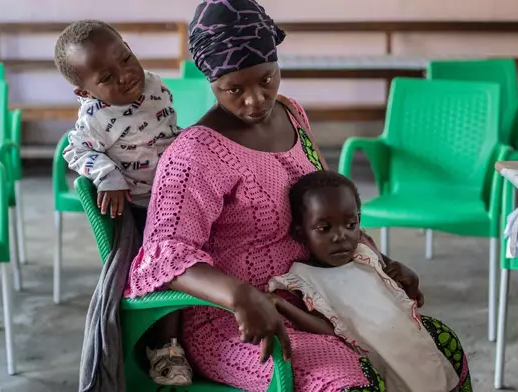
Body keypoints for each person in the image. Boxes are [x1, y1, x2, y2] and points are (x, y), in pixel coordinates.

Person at [125, 1, 472, 391]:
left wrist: (381, 264)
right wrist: (240, 295)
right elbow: (165, 253)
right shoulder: (195, 153)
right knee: (348, 383)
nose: (255, 100)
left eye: (266, 79)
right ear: (211, 82)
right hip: (238, 323)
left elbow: (325, 206)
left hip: (322, 295)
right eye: (233, 89)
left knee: (442, 349)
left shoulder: (291, 114)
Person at [53, 20, 191, 386]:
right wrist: (109, 176)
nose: (126, 75)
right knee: (168, 270)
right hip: (143, 209)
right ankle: (165, 350)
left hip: (178, 197)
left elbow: (169, 135)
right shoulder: (95, 116)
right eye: (107, 77)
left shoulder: (156, 86)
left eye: (126, 58)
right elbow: (75, 150)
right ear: (84, 91)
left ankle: (197, 337)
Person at [268, 170, 460, 391]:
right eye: (324, 228)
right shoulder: (305, 278)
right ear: (301, 233)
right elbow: (328, 329)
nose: (340, 236)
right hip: (382, 362)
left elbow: (400, 301)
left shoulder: (365, 255)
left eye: (350, 225)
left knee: (439, 376)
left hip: (412, 348)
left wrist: (412, 280)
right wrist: (281, 305)